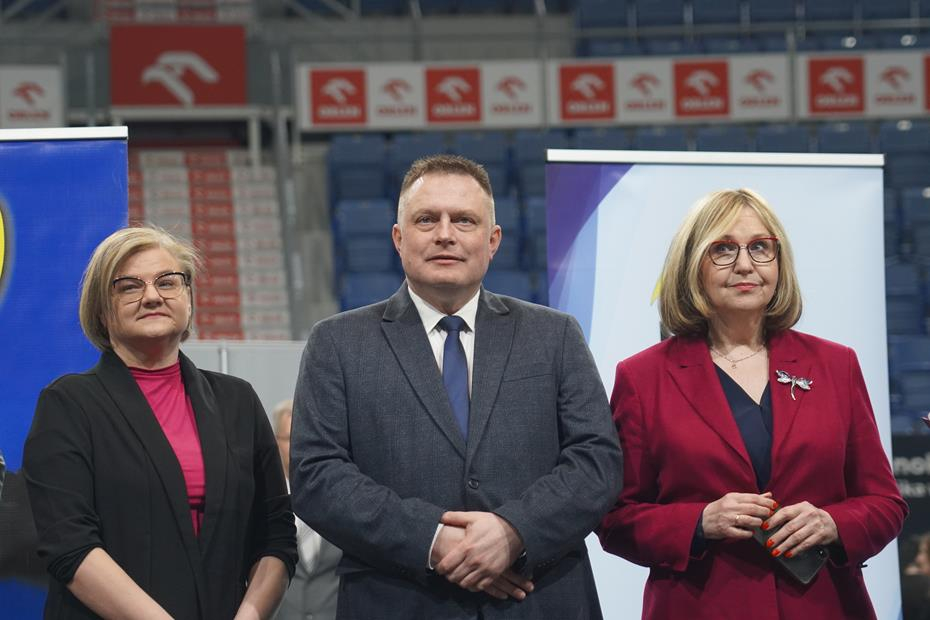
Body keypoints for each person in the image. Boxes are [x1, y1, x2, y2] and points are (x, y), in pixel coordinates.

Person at [290, 154, 622, 619]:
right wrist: (433, 540)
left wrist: (512, 532)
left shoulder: (555, 335)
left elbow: (597, 462)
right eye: (427, 219)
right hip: (399, 602)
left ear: (493, 240)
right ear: (398, 238)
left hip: (540, 601)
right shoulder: (337, 343)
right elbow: (317, 477)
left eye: (464, 220)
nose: (445, 234)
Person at [597, 188, 907, 619]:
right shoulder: (642, 376)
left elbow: (885, 502)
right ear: (692, 264)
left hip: (825, 606)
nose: (745, 264)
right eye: (723, 249)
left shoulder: (836, 364)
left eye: (760, 247)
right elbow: (614, 518)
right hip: (701, 607)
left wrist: (834, 524)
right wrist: (699, 522)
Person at [23, 226, 297, 619]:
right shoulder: (67, 404)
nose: (152, 296)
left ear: (188, 297)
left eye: (167, 282)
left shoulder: (238, 401)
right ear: (101, 310)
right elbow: (70, 545)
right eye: (129, 286)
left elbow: (276, 536)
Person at [272, 399, 341, 620]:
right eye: (290, 438)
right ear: (276, 442)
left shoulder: (340, 498)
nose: (297, 446)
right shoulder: (265, 502)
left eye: (304, 439)